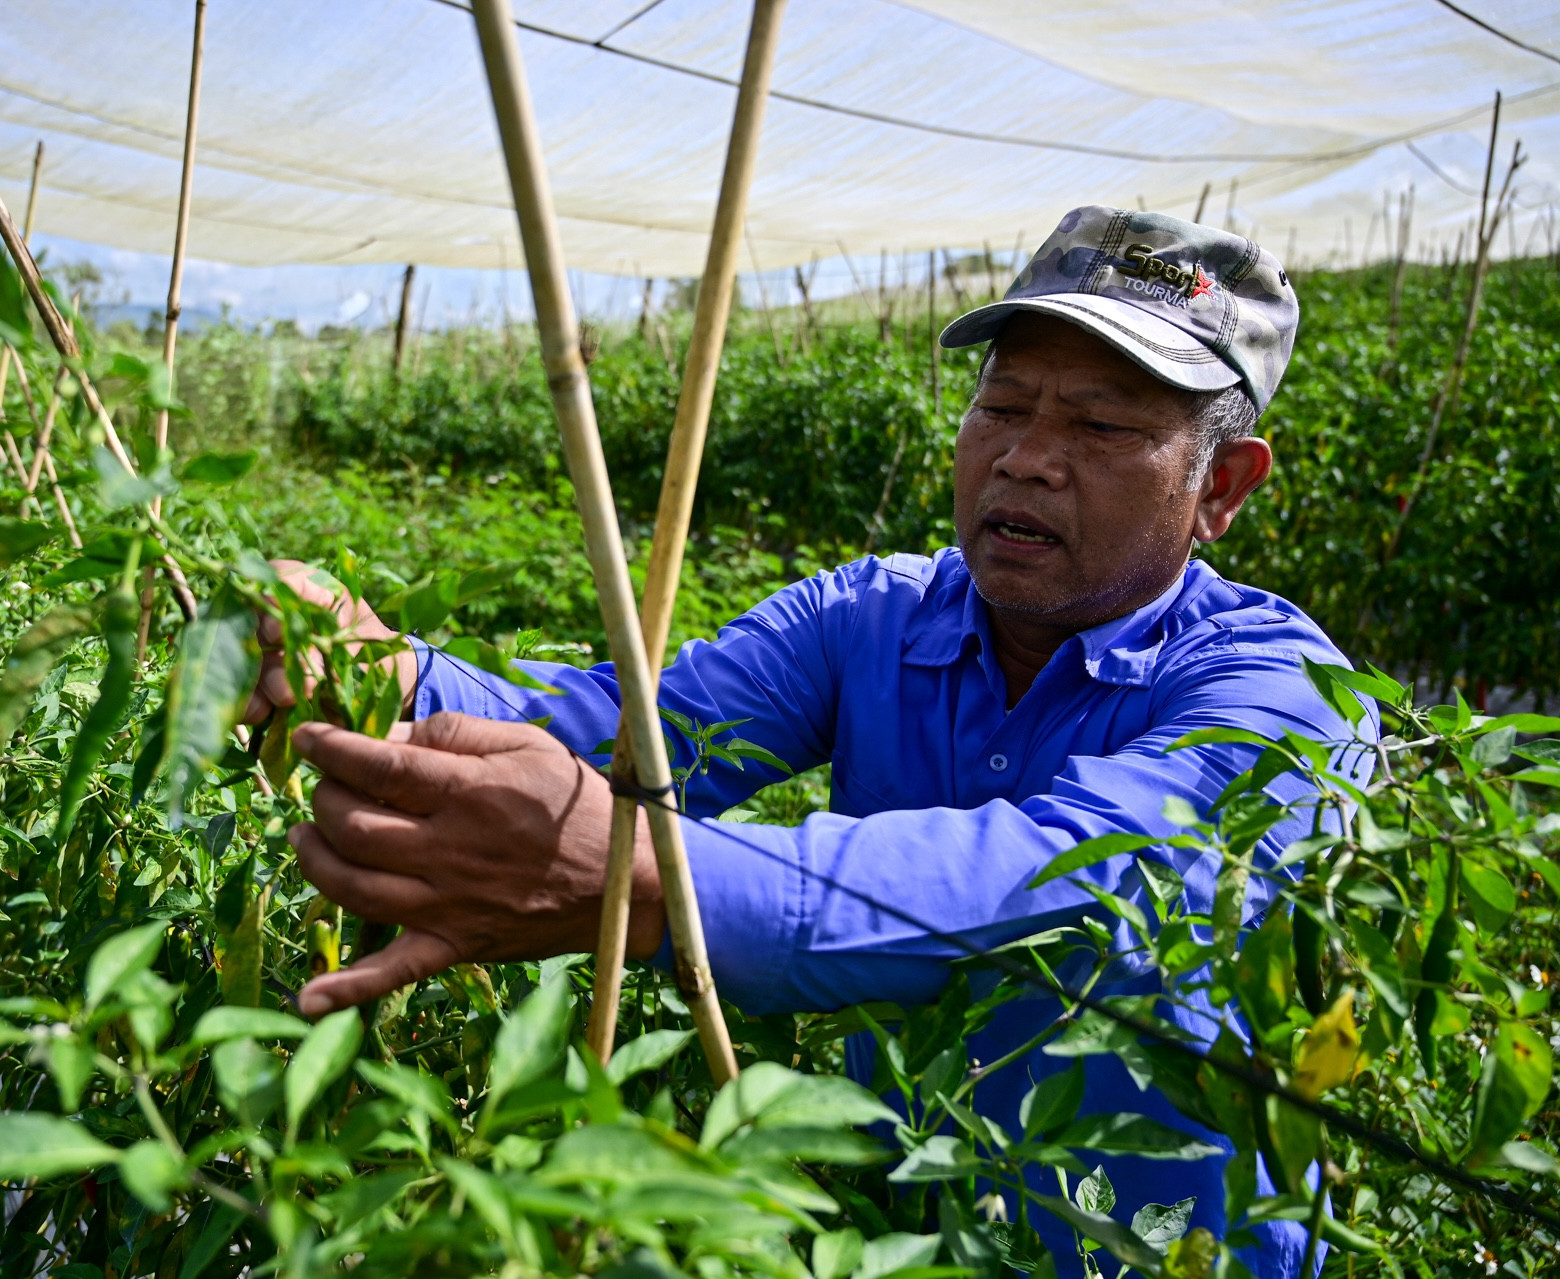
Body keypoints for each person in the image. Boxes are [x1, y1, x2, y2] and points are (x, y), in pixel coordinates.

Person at [246, 206, 1344, 1276]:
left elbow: (1063, 878)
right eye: (1003, 406)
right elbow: (625, 739)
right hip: (893, 1238)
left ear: (1221, 488)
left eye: (1101, 428)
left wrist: (648, 877)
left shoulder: (1281, 692)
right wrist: (393, 671)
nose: (1026, 460)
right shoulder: (863, 618)